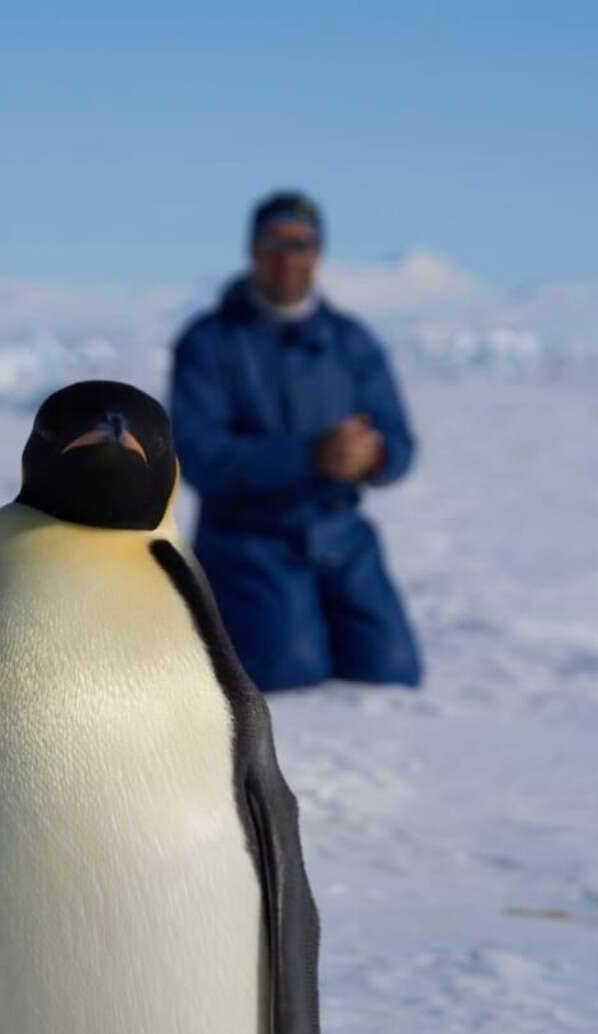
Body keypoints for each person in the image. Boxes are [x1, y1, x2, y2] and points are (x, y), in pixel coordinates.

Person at [168, 190, 423, 692]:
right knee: (289, 672)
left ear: (319, 253)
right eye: (274, 243)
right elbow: (199, 454)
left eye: (301, 243)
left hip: (340, 534)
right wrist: (310, 457)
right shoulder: (210, 342)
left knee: (391, 670)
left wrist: (375, 456)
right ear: (253, 252)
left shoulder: (350, 341)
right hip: (248, 539)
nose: (288, 257)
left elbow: (400, 441)